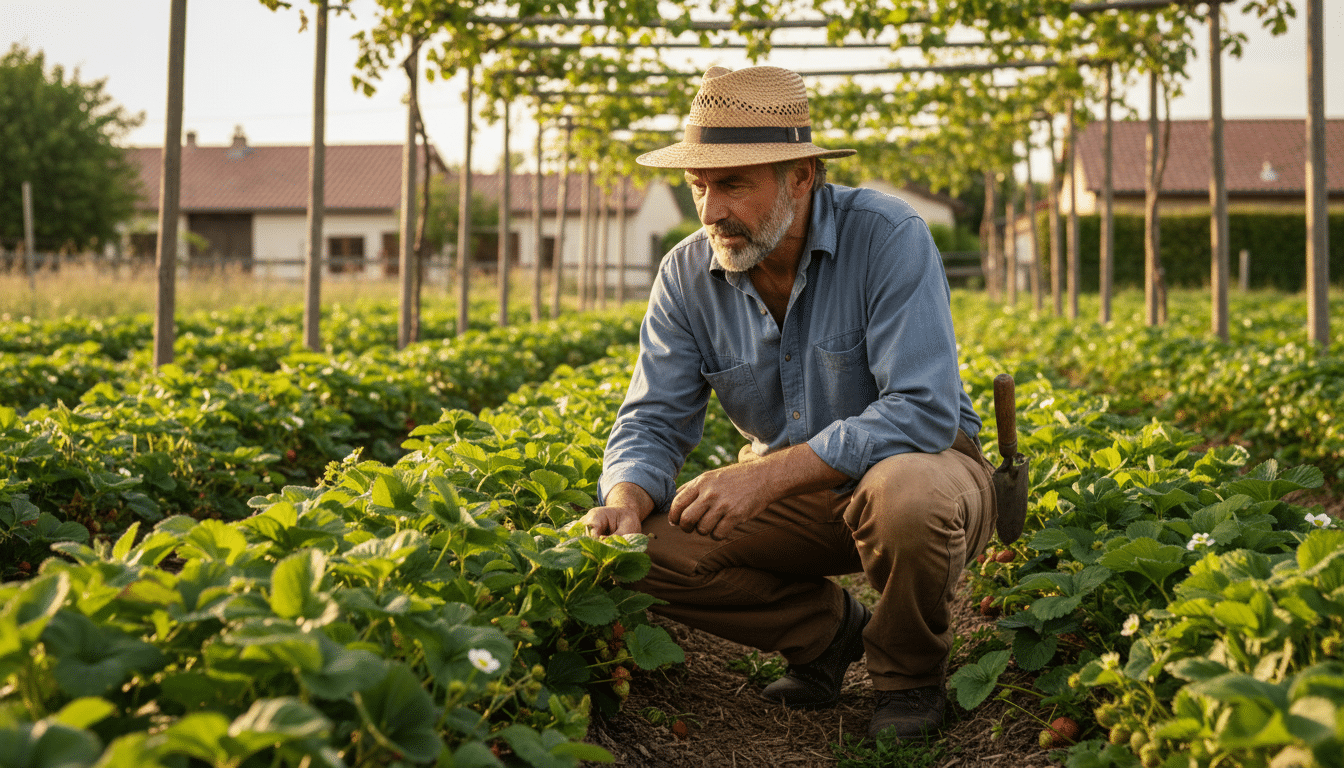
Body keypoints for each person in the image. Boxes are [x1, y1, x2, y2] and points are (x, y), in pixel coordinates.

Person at [582, 64, 997, 742]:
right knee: (637, 551)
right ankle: (828, 634)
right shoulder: (686, 275)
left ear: (801, 175)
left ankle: (908, 675)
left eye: (734, 184)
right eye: (699, 186)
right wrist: (626, 498)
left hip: (926, 472)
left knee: (905, 496)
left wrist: (766, 474)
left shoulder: (889, 237)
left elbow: (923, 410)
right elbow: (653, 417)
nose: (713, 210)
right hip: (804, 500)